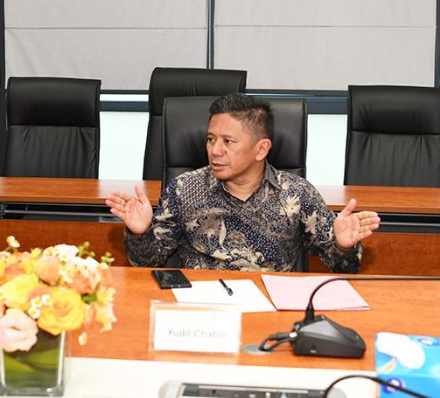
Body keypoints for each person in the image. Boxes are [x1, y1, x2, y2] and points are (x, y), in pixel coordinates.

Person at [106, 93, 380, 272]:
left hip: (272, 310)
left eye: (228, 142)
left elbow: (343, 269)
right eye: (211, 139)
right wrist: (140, 234)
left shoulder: (297, 194)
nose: (215, 151)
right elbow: (148, 262)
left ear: (261, 149)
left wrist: (343, 245)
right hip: (201, 309)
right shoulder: (183, 189)